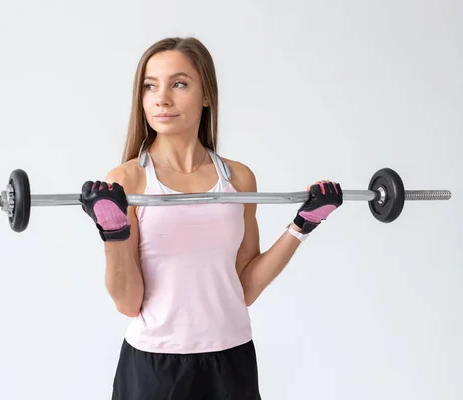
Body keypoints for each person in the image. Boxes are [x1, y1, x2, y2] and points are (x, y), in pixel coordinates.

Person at [78, 37, 343, 399]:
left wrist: (303, 225)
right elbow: (128, 303)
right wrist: (114, 234)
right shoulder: (128, 181)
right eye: (150, 86)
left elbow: (245, 287)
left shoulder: (238, 179)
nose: (162, 98)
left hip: (231, 359)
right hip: (155, 363)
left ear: (206, 95)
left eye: (179, 84)